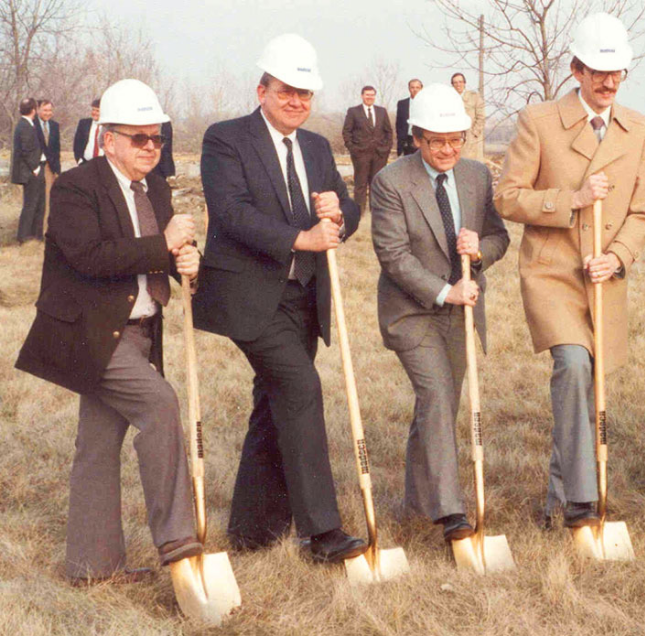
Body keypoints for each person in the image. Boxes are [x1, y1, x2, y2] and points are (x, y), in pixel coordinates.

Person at [15, 79, 203, 584]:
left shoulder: (155, 187)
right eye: (137, 137)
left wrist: (187, 259)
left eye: (156, 138)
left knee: (97, 443)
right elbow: (90, 256)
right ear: (108, 139)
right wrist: (164, 244)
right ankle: (179, 543)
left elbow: (161, 255)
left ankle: (90, 569)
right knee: (160, 405)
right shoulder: (78, 187)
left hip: (142, 332)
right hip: (92, 337)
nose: (149, 147)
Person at [192, 33, 366, 564]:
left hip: (303, 298)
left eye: (306, 95)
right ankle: (321, 532)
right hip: (249, 297)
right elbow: (232, 212)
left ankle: (250, 530)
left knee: (272, 405)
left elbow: (346, 213)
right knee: (299, 388)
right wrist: (301, 238)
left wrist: (340, 212)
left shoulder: (314, 147)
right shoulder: (225, 139)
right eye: (287, 92)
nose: (297, 103)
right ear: (262, 89)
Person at [494, 13, 645, 529]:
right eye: (597, 72)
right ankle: (583, 501)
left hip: (602, 277)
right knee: (573, 367)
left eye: (617, 73)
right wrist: (574, 199)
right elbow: (507, 197)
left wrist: (620, 256)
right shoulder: (538, 122)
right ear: (576, 70)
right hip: (553, 274)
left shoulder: (639, 129)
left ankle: (559, 499)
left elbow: (641, 212)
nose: (608, 83)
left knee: (590, 387)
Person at [371, 84, 509, 542]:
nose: (448, 149)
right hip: (412, 312)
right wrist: (445, 291)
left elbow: (498, 236)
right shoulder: (391, 182)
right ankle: (451, 514)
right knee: (435, 394)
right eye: (437, 141)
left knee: (441, 405)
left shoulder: (475, 175)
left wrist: (480, 252)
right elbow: (393, 256)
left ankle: (417, 501)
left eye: (456, 139)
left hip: (462, 310)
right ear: (416, 138)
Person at [342, 85, 393, 209]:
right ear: (362, 96)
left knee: (377, 183)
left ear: (374, 96)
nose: (370, 97)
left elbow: (389, 131)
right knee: (360, 183)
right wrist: (353, 149)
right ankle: (359, 211)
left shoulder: (382, 111)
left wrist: (386, 149)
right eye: (367, 94)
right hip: (360, 154)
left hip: (379, 153)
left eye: (372, 95)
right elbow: (346, 131)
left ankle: (375, 209)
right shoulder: (353, 111)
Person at [11, 98, 45, 243]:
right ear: (33, 110)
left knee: (38, 203)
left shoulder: (28, 124)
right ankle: (24, 237)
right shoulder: (24, 126)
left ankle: (35, 235)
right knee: (31, 204)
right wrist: (35, 168)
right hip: (31, 172)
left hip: (34, 170)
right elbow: (26, 150)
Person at [34, 99, 61, 216]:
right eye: (45, 110)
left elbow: (56, 149)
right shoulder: (31, 124)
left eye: (50, 110)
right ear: (37, 110)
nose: (48, 113)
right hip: (34, 167)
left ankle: (45, 230)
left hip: (50, 168)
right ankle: (32, 231)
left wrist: (57, 170)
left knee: (48, 199)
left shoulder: (54, 126)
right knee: (35, 199)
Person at [450, 73, 485, 162]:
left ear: (464, 83)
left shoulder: (474, 96)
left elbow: (481, 116)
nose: (458, 85)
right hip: (454, 136)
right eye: (455, 83)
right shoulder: (449, 98)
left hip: (471, 137)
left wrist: (475, 133)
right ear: (452, 85)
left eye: (460, 82)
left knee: (472, 164)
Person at [396, 78, 423, 157]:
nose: (415, 90)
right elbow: (398, 124)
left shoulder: (427, 103)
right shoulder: (402, 103)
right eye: (412, 87)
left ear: (421, 88)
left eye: (417, 87)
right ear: (409, 89)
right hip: (407, 140)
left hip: (421, 139)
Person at [73, 99, 101, 165]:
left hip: (102, 165)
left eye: (97, 111)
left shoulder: (108, 127)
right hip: (86, 163)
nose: (94, 113)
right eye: (93, 110)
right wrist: (79, 160)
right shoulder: (84, 123)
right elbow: (77, 144)